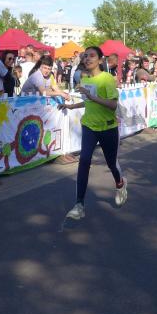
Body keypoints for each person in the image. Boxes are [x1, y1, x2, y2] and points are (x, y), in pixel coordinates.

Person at [59, 46, 127, 220]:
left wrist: (91, 96)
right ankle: (79, 205)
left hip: (108, 127)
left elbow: (112, 105)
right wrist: (71, 106)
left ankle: (120, 184)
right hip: (89, 126)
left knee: (111, 164)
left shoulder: (107, 78)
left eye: (92, 56)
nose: (87, 59)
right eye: (85, 56)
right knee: (84, 161)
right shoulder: (85, 79)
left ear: (100, 60)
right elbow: (87, 102)